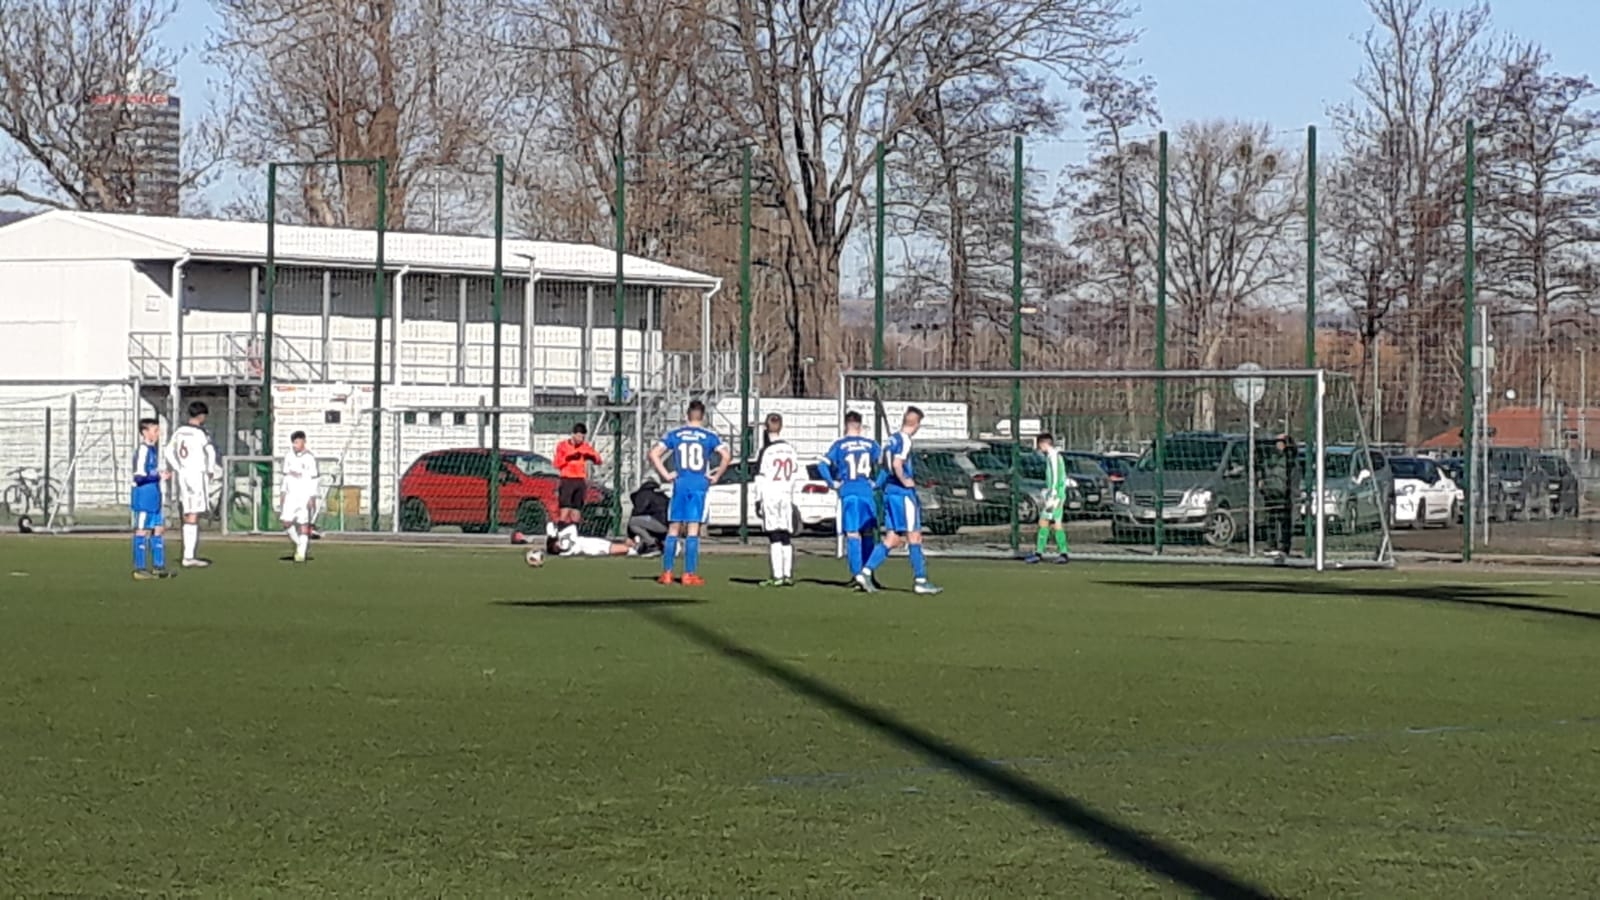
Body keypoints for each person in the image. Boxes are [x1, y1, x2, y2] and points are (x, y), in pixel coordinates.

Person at [857, 407, 942, 595]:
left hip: (890, 493)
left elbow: (884, 467)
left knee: (893, 538)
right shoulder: (905, 440)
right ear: (916, 424)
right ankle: (920, 580)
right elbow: (896, 464)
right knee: (915, 536)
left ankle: (865, 572)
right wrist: (905, 481)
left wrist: (877, 485)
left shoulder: (891, 440)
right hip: (903, 495)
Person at [648, 399, 731, 586]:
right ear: (703, 417)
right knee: (693, 529)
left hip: (681, 483)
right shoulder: (709, 436)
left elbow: (653, 454)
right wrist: (716, 475)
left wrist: (666, 475)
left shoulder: (676, 434)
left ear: (687, 415)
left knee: (674, 528)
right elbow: (726, 456)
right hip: (699, 485)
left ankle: (667, 573)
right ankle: (689, 574)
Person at [819, 410, 881, 585]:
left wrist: (832, 483)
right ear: (860, 426)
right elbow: (886, 464)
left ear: (846, 425)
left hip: (849, 493)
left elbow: (822, 464)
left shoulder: (840, 445)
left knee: (853, 534)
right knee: (868, 533)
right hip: (866, 493)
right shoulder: (871, 444)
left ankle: (856, 575)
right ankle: (868, 574)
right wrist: (877, 483)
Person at [163, 401, 216, 568]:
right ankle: (189, 556)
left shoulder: (179, 431)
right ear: (201, 416)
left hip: (183, 475)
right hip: (196, 474)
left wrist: (178, 467)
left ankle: (188, 554)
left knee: (187, 510)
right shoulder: (200, 433)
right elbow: (210, 452)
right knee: (194, 513)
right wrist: (210, 469)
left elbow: (167, 451)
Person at [754, 412, 800, 587]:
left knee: (774, 535)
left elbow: (760, 477)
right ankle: (788, 574)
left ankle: (777, 575)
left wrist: (758, 500)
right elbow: (795, 473)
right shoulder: (790, 449)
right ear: (781, 427)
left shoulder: (766, 451)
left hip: (771, 494)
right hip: (786, 494)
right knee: (786, 535)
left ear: (766, 428)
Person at [129, 418, 170, 580]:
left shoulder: (153, 450)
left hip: (154, 495)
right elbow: (139, 477)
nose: (158, 433)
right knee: (142, 530)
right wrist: (158, 476)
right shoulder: (143, 450)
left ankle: (158, 566)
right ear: (145, 432)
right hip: (144, 496)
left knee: (158, 528)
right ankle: (139, 568)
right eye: (155, 430)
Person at [1023, 432, 1072, 564]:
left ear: (1044, 444)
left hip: (1055, 497)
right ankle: (1062, 553)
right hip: (1057, 495)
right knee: (1055, 524)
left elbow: (1055, 476)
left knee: (1044, 522)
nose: (1039, 448)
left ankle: (1040, 553)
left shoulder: (1053, 456)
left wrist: (1053, 494)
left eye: (1040, 445)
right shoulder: (1054, 456)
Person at [279, 430, 320, 563]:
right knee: (286, 522)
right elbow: (286, 477)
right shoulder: (289, 456)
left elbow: (314, 479)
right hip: (291, 496)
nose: (295, 445)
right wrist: (283, 493)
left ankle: (301, 553)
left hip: (304, 496)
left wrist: (312, 497)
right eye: (294, 442)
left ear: (303, 442)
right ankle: (299, 544)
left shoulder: (309, 458)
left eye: (297, 442)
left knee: (303, 524)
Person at [553, 422, 601, 526]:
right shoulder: (562, 446)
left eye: (583, 437)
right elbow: (557, 463)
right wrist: (569, 457)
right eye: (579, 436)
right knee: (565, 508)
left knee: (576, 509)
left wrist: (592, 457)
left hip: (580, 480)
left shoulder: (585, 447)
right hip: (567, 480)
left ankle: (575, 530)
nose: (581, 439)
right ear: (573, 434)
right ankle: (560, 530)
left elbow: (598, 460)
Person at [544, 521, 637, 557]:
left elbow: (572, 528)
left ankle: (636, 546)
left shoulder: (563, 533)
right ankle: (637, 549)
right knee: (619, 549)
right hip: (590, 548)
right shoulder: (563, 552)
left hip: (588, 542)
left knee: (615, 546)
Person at [627, 480, 670, 555]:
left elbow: (638, 512)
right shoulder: (662, 496)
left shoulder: (643, 495)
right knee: (644, 523)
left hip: (660, 524)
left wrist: (630, 536)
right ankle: (657, 544)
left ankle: (652, 544)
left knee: (633, 522)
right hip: (668, 526)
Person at [1275, 433, 1299, 558]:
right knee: (1277, 519)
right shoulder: (1276, 459)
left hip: (1288, 494)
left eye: (1280, 442)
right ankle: (1277, 546)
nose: (1277, 445)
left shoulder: (1289, 459)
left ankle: (1284, 547)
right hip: (1278, 493)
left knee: (1286, 521)